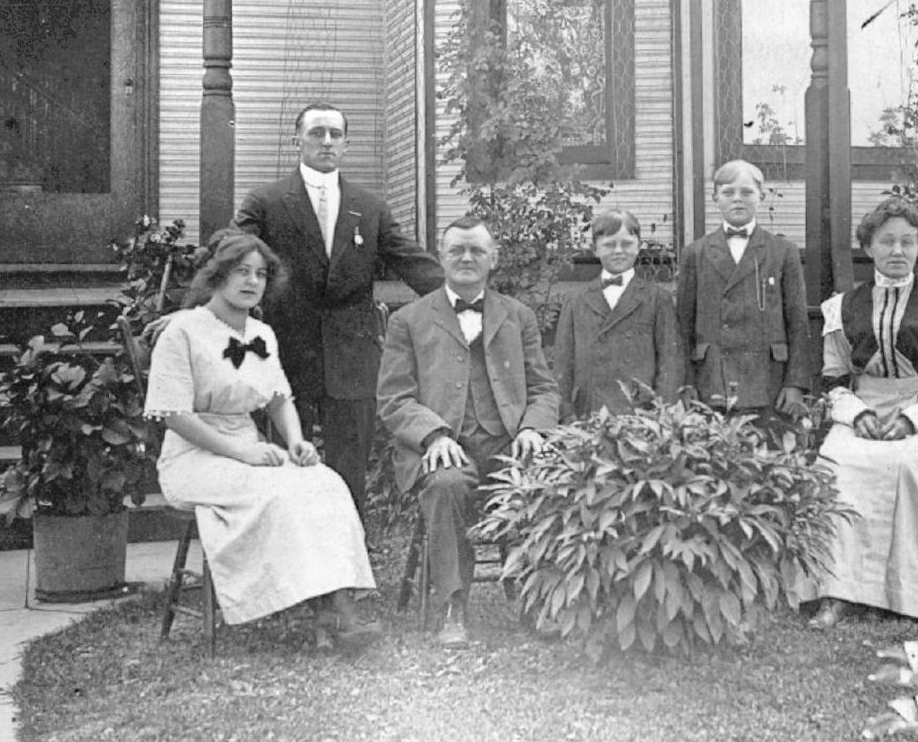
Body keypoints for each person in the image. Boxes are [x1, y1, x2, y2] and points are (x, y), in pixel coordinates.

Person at [142, 230, 379, 652]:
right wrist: (242, 452)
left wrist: (297, 442)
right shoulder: (183, 332)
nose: (252, 282)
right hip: (194, 458)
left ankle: (336, 609)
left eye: (261, 274)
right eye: (241, 272)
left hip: (251, 451)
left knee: (325, 482)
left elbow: (279, 398)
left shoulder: (261, 334)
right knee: (280, 493)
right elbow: (173, 416)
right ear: (215, 276)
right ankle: (331, 611)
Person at [233, 102, 444, 523]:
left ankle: (349, 565)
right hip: (287, 355)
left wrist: (466, 299)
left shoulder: (369, 207)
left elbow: (411, 262)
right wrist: (197, 315)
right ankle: (290, 563)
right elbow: (229, 261)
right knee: (285, 467)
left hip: (353, 358)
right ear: (298, 139)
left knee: (350, 470)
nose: (326, 141)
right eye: (316, 133)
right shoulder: (267, 202)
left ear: (346, 144)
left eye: (335, 134)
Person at [377, 216, 560, 649]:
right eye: (457, 249)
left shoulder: (518, 316)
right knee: (445, 485)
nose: (466, 258)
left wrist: (533, 427)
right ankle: (453, 606)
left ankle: (536, 600)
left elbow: (544, 388)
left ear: (493, 259)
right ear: (441, 257)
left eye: (477, 250)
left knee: (534, 480)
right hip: (442, 447)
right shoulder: (409, 320)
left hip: (505, 442)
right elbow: (393, 398)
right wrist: (433, 436)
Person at [800, 200, 918, 626]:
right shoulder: (841, 307)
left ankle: (902, 594)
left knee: (905, 463)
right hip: (862, 412)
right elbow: (833, 379)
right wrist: (858, 414)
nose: (898, 250)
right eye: (887, 241)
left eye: (908, 241)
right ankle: (834, 591)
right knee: (836, 464)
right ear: (870, 247)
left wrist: (911, 421)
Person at [676, 160, 812, 424]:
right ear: (715, 197)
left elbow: (797, 323)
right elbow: (683, 326)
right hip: (712, 381)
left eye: (747, 192)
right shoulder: (696, 253)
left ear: (760, 196)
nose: (737, 199)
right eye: (728, 192)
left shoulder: (783, 252)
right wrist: (687, 383)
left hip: (768, 381)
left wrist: (795, 384)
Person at [553, 208, 683, 419]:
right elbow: (563, 364)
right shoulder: (574, 300)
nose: (618, 251)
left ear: (639, 246)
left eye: (627, 244)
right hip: (588, 413)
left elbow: (670, 362)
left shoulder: (657, 298)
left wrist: (663, 415)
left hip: (640, 416)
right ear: (595, 249)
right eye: (609, 245)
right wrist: (566, 414)